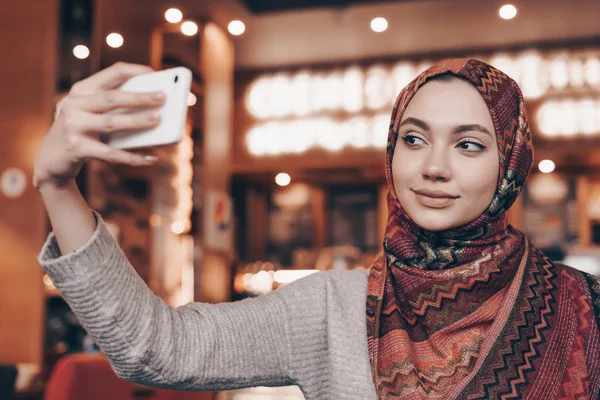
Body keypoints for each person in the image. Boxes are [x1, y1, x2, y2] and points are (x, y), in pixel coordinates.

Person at [34, 59, 600, 400]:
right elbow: (155, 347)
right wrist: (58, 186)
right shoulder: (333, 309)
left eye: (470, 144)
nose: (434, 166)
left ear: (510, 166)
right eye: (414, 137)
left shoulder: (584, 306)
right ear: (392, 153)